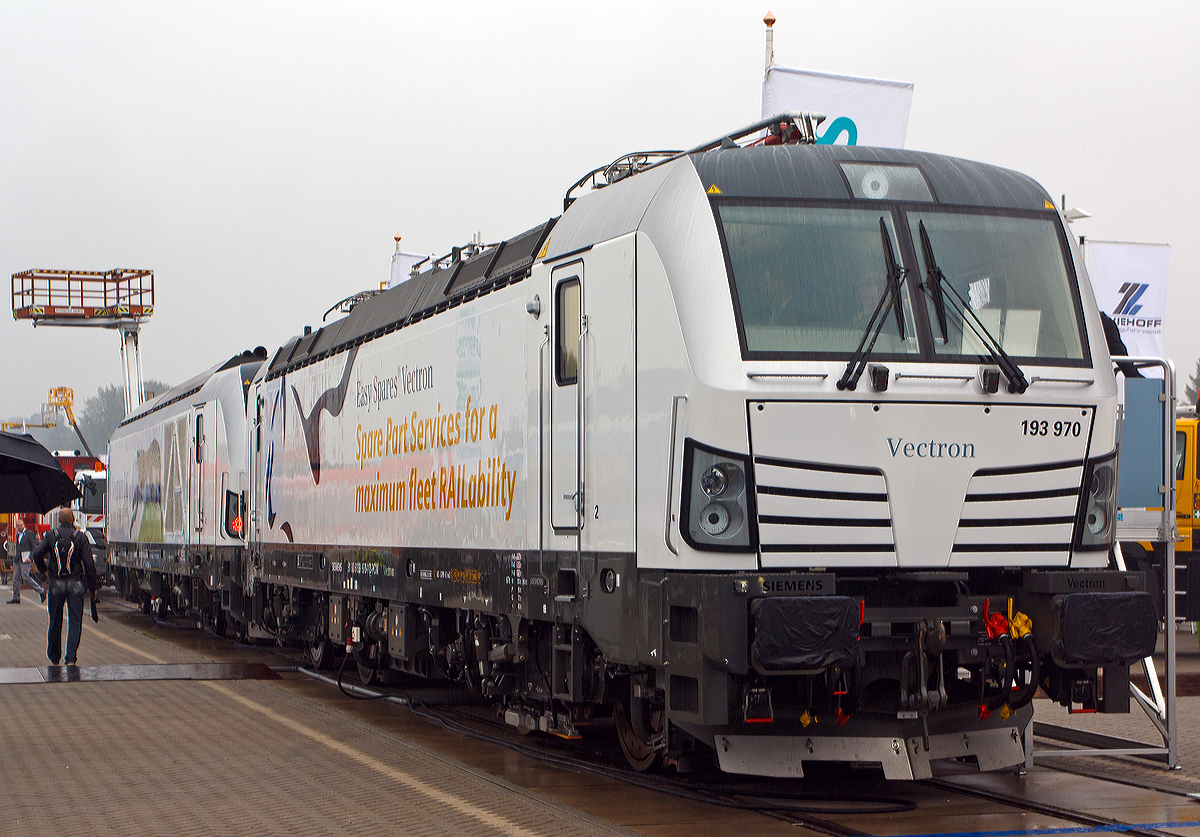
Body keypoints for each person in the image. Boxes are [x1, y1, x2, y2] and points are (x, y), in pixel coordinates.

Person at [31, 509, 98, 666]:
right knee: (75, 621)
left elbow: (36, 554)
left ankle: (54, 657)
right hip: (75, 583)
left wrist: (45, 571)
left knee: (55, 620)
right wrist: (92, 585)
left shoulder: (51, 535)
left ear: (59, 519)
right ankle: (70, 658)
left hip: (56, 582)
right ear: (73, 519)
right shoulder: (80, 537)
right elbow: (89, 563)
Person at [6, 518, 46, 605]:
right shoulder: (17, 535)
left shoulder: (29, 533)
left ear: (23, 525)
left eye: (21, 525)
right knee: (16, 578)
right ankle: (15, 597)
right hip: (18, 558)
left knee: (25, 576)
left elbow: (34, 546)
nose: (19, 527)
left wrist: (31, 557)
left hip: (26, 558)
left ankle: (41, 591)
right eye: (18, 526)